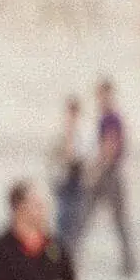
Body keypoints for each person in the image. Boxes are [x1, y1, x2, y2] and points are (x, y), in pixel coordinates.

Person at [84, 78, 136, 277]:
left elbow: (110, 146)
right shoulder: (106, 117)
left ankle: (129, 263)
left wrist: (96, 171)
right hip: (108, 172)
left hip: (108, 174)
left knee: (114, 220)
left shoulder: (111, 118)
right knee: (86, 217)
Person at [49, 95, 88, 248]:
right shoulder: (60, 133)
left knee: (76, 219)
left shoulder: (83, 134)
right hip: (63, 180)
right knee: (62, 219)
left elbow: (84, 155)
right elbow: (55, 157)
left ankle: (71, 252)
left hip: (78, 180)